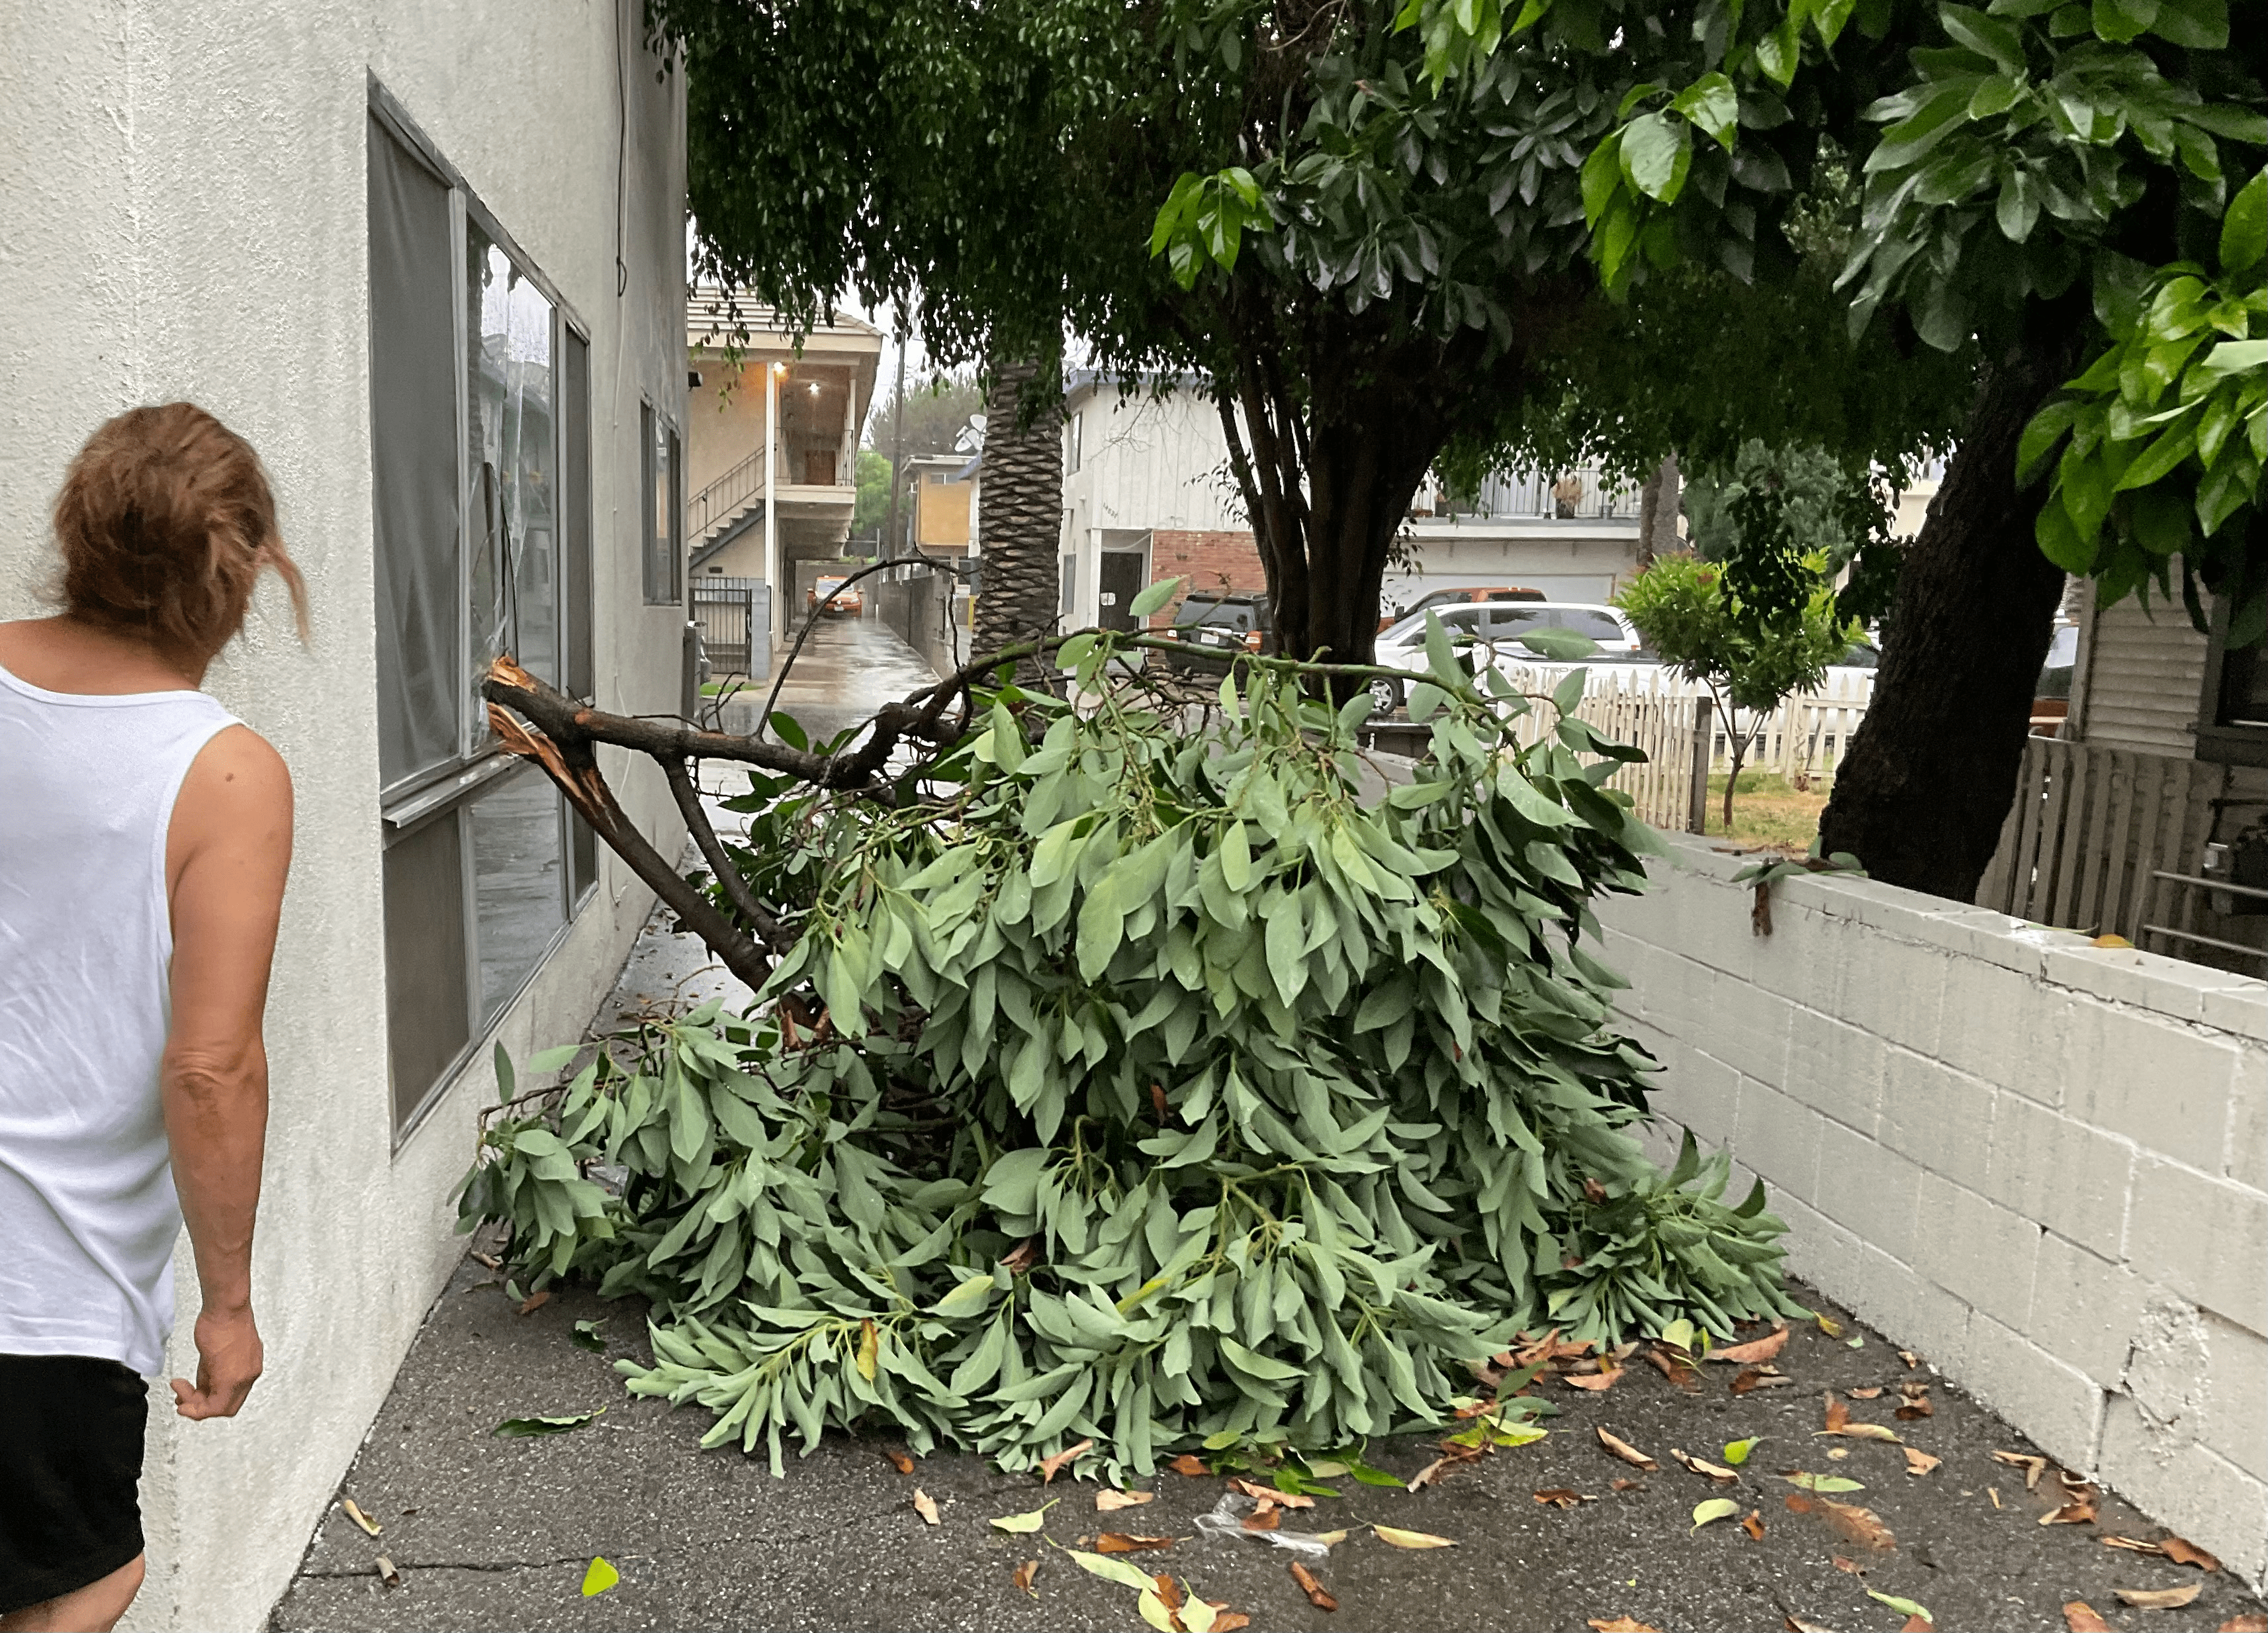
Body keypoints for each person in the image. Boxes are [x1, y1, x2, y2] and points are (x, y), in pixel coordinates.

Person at [0, 405, 304, 1632]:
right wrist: (226, 1304)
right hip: (41, 1285)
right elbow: (212, 1067)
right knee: (86, 1579)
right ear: (245, 577)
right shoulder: (224, 773)